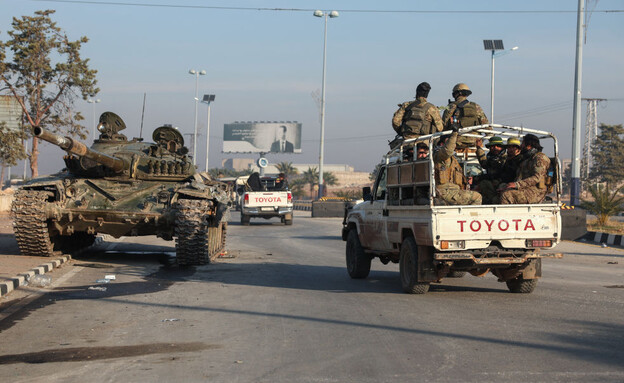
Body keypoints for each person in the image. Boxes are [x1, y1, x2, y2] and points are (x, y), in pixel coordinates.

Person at [433, 129, 482, 205]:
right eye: (449, 142)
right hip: (444, 192)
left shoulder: (454, 160)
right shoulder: (440, 156)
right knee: (477, 197)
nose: (453, 145)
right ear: (442, 144)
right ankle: (470, 216)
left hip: (453, 191)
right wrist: (454, 134)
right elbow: (447, 150)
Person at [498, 134, 550, 204]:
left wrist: (516, 185)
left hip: (536, 191)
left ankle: (506, 215)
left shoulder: (539, 158)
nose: (521, 146)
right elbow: (519, 177)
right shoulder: (527, 159)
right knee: (501, 189)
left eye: (522, 143)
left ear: (528, 146)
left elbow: (537, 178)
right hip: (526, 188)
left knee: (506, 195)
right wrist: (509, 186)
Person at [441, 83, 489, 147]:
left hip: (456, 143)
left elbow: (443, 125)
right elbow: (486, 125)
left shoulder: (451, 107)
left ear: (458, 93)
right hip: (475, 142)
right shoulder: (475, 106)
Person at [473, 136, 507, 203]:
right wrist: (479, 148)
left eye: (498, 146)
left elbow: (499, 171)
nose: (495, 148)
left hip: (502, 184)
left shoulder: (505, 158)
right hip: (493, 183)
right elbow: (484, 164)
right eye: (493, 146)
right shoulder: (491, 158)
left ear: (502, 147)